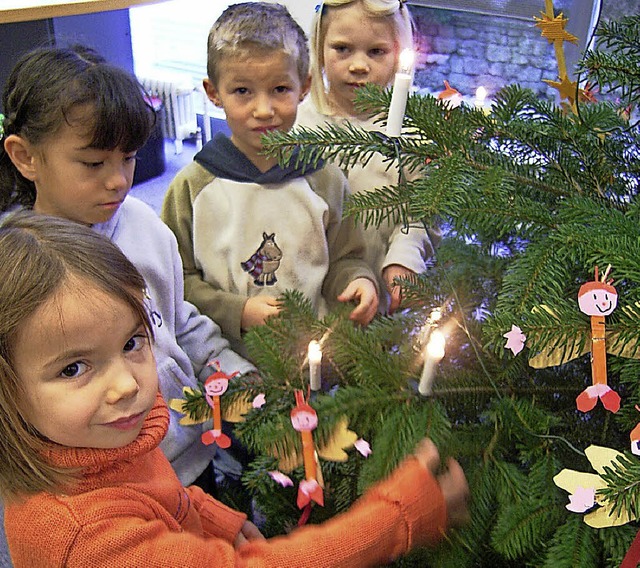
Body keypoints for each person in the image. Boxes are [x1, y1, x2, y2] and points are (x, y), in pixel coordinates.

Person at [0, 212, 469, 567]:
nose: (126, 385)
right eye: (74, 368)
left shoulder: (97, 439)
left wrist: (213, 517)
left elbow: (157, 494)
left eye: (131, 343)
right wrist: (395, 518)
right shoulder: (81, 535)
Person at [0, 45, 256, 491]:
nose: (119, 179)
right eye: (94, 163)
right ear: (25, 157)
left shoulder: (144, 225)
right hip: (105, 490)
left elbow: (177, 320)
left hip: (190, 456)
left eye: (129, 157)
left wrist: (230, 372)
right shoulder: (16, 270)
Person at [161, 2, 379, 357]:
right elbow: (174, 282)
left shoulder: (325, 180)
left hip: (314, 357)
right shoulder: (190, 189)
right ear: (214, 93)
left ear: (304, 86)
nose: (264, 110)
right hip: (222, 360)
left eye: (279, 89)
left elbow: (345, 258)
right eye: (243, 92)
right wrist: (238, 311)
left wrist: (358, 281)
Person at [296, 0, 440, 314]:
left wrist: (405, 258)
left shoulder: (414, 135)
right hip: (307, 298)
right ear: (320, 47)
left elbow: (423, 213)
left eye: (376, 52)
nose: (359, 65)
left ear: (398, 52)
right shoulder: (297, 126)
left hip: (377, 300)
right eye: (342, 49)